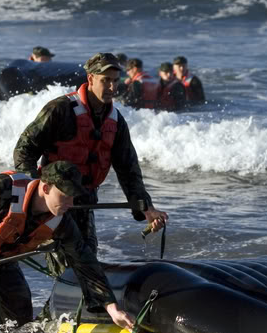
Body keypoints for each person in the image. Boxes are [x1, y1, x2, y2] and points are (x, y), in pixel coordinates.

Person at [12, 52, 168, 318]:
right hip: (55, 204)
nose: (111, 87)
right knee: (68, 272)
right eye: (106, 80)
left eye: (115, 81)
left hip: (85, 201)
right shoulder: (60, 110)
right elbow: (24, 150)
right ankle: (49, 328)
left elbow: (129, 170)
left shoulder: (116, 121)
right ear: (90, 78)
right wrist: (36, 193)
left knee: (88, 266)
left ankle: (82, 320)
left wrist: (145, 208)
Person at [0, 161, 135, 333]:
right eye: (65, 195)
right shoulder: (1, 191)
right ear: (46, 188)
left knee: (22, 330)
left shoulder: (61, 221)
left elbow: (85, 262)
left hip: (1, 263)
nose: (70, 203)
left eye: (73, 196)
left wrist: (112, 308)